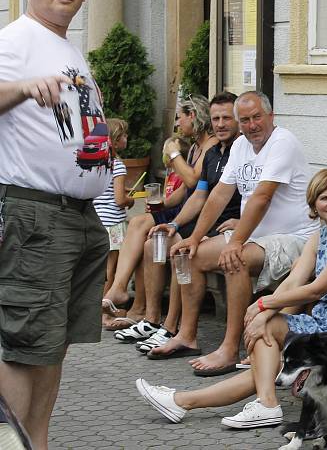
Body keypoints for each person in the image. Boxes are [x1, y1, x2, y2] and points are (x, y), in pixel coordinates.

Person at [135, 168, 327, 428]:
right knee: (263, 330)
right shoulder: (319, 236)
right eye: (325, 198)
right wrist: (263, 312)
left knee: (265, 334)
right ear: (314, 204)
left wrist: (264, 304)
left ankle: (227, 403)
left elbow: (317, 288)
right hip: (321, 324)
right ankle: (189, 401)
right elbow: (294, 281)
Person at [0, 0, 111, 448]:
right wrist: (22, 87)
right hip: (36, 216)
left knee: (52, 345)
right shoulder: (16, 40)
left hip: (78, 218)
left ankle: (35, 443)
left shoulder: (67, 50)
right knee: (25, 344)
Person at [150, 91, 316, 377]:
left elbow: (262, 197)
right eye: (246, 120)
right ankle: (187, 335)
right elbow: (218, 195)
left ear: (271, 117)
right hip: (256, 235)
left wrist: (236, 239)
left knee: (234, 257)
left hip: (296, 237)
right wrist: (194, 236)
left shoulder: (282, 142)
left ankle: (230, 349)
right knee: (192, 255)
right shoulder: (240, 146)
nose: (252, 125)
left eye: (257, 118)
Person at [131, 92, 242, 352]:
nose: (221, 124)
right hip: (206, 224)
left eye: (227, 118)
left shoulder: (241, 150)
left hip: (224, 226)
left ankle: (172, 328)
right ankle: (152, 319)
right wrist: (175, 224)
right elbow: (199, 195)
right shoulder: (214, 152)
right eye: (217, 118)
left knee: (181, 252)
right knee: (155, 241)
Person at [103, 94, 217, 335]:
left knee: (148, 240)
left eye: (179, 118)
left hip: (200, 216)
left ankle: (139, 308)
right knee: (138, 222)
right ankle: (122, 290)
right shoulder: (196, 145)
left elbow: (193, 181)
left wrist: (175, 154)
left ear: (192, 116)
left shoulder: (210, 144)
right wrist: (162, 202)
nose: (177, 124)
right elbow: (185, 190)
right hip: (185, 207)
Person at [93, 118, 135, 330]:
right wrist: (130, 200)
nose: (127, 139)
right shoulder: (118, 165)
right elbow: (119, 200)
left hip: (97, 221)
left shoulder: (96, 163)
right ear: (115, 141)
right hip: (113, 224)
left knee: (98, 270)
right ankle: (105, 314)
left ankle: (93, 309)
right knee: (112, 270)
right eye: (124, 136)